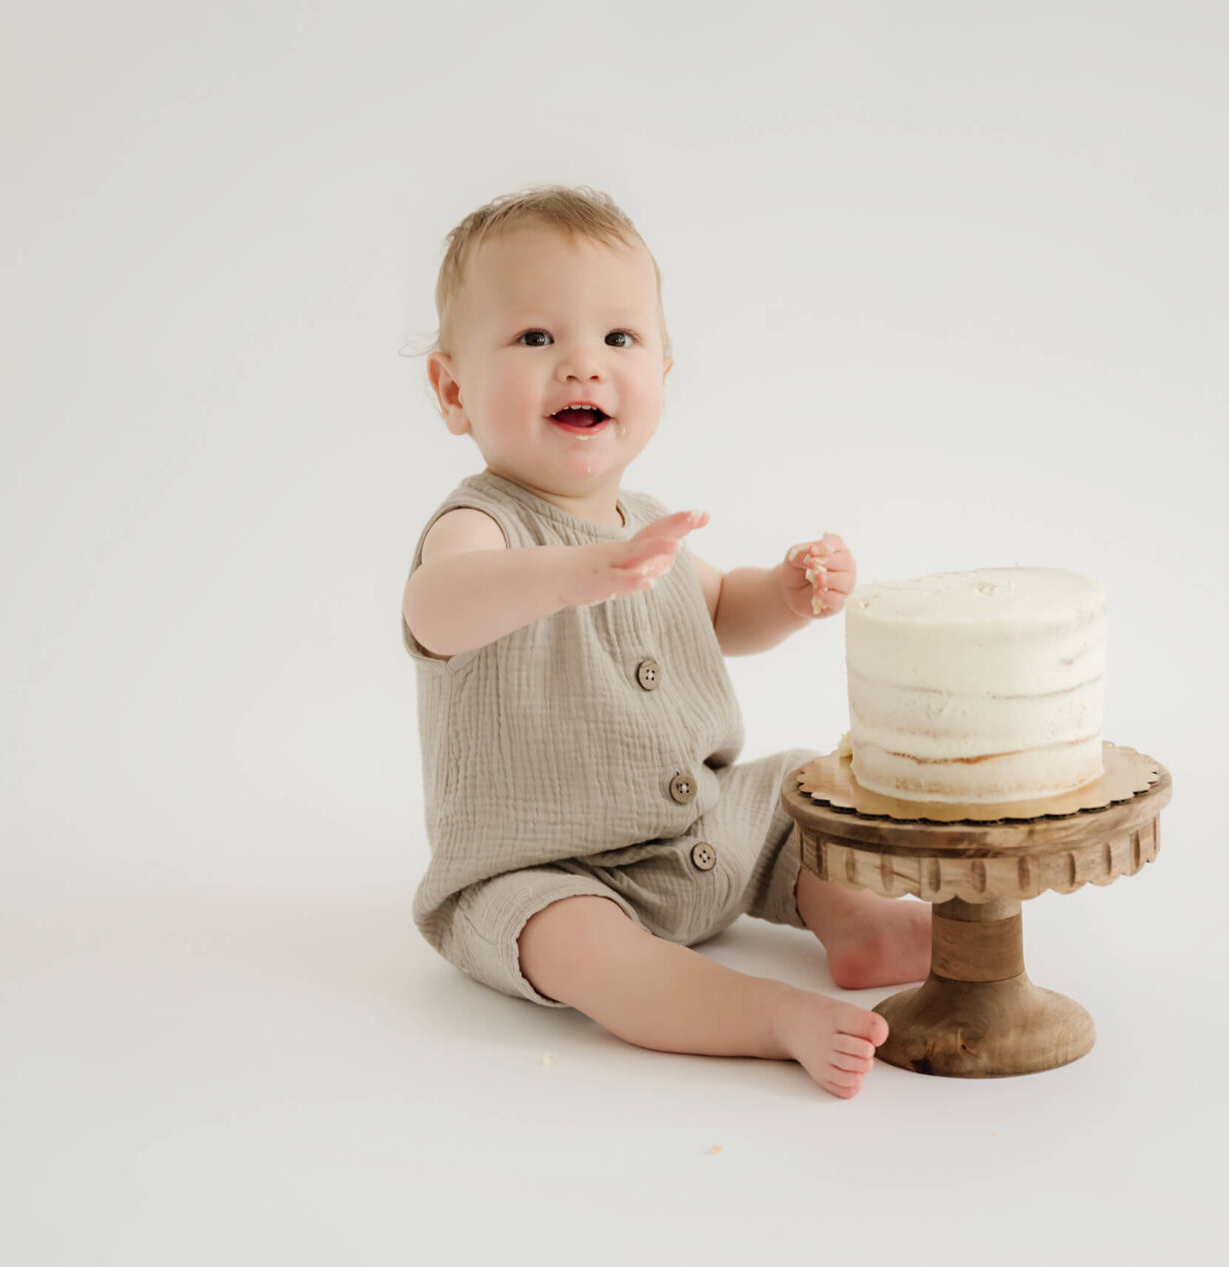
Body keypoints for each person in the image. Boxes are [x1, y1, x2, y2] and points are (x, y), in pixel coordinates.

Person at [399, 184, 932, 1098]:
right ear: (454, 390)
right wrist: (575, 573)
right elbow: (435, 608)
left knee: (798, 793)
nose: (583, 366)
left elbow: (719, 612)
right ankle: (764, 1013)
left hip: (700, 828)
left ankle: (861, 924)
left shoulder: (645, 523)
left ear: (663, 374)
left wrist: (787, 594)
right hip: (545, 877)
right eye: (536, 337)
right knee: (584, 947)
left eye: (618, 338)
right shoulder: (478, 526)